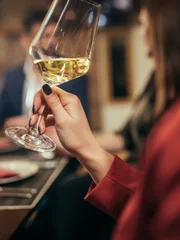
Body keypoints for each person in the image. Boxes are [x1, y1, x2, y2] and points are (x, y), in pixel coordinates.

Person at [31, 0, 180, 239]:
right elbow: (145, 205)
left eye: (142, 23)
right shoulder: (158, 83)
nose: (142, 35)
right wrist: (83, 145)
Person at [0, 9, 88, 149]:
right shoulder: (12, 77)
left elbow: (82, 122)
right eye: (44, 36)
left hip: (60, 152)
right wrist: (8, 125)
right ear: (25, 40)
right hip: (20, 153)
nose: (52, 41)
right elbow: (3, 119)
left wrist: (36, 123)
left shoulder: (71, 76)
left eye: (56, 35)